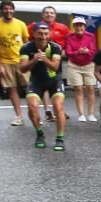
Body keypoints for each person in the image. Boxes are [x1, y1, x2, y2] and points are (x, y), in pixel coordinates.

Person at [18, 23, 67, 151]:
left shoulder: (56, 47)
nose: (43, 37)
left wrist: (44, 59)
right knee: (32, 106)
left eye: (46, 34)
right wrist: (34, 60)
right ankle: (39, 134)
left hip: (54, 80)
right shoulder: (26, 48)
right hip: (36, 81)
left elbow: (55, 67)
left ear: (50, 34)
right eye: (40, 33)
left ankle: (60, 138)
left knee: (58, 106)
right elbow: (22, 69)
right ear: (34, 34)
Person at [0, 0, 30, 126]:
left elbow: (27, 43)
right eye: (5, 9)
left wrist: (27, 60)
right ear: (1, 10)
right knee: (12, 89)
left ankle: (34, 113)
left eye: (10, 9)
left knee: (29, 87)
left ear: (14, 10)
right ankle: (19, 116)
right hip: (5, 61)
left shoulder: (21, 24)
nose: (8, 11)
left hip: (21, 60)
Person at [28, 6, 72, 122]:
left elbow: (70, 41)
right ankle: (48, 111)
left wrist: (65, 51)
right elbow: (27, 38)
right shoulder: (35, 26)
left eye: (51, 13)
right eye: (46, 13)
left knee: (55, 83)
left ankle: (58, 109)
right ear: (42, 15)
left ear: (55, 15)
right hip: (40, 58)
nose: (49, 15)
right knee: (43, 82)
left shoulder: (62, 27)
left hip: (56, 59)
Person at [63, 16, 98, 122]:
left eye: (81, 25)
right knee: (78, 89)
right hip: (74, 65)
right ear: (74, 27)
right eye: (77, 25)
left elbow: (94, 51)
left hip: (88, 64)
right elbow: (68, 53)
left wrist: (88, 52)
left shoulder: (90, 36)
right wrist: (78, 52)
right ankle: (81, 114)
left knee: (91, 89)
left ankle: (91, 114)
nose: (79, 27)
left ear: (84, 26)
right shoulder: (69, 37)